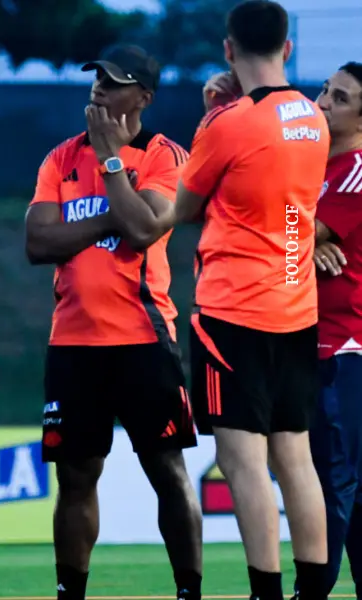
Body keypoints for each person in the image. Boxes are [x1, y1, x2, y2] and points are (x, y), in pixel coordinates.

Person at [24, 44, 202, 600]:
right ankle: (70, 592)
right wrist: (115, 215)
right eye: (96, 77)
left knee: (167, 471)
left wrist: (110, 163)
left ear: (143, 96)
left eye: (115, 80)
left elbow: (147, 231)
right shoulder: (59, 158)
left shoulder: (166, 155)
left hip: (144, 339)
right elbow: (38, 242)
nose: (99, 87)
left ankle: (188, 591)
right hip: (74, 342)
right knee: (74, 478)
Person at [174, 2, 331, 599]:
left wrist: (215, 114)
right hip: (296, 305)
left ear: (228, 49)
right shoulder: (313, 118)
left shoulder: (228, 122)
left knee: (244, 461)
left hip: (234, 310)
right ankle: (314, 590)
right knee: (296, 458)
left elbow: (185, 207)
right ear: (288, 48)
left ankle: (264, 591)